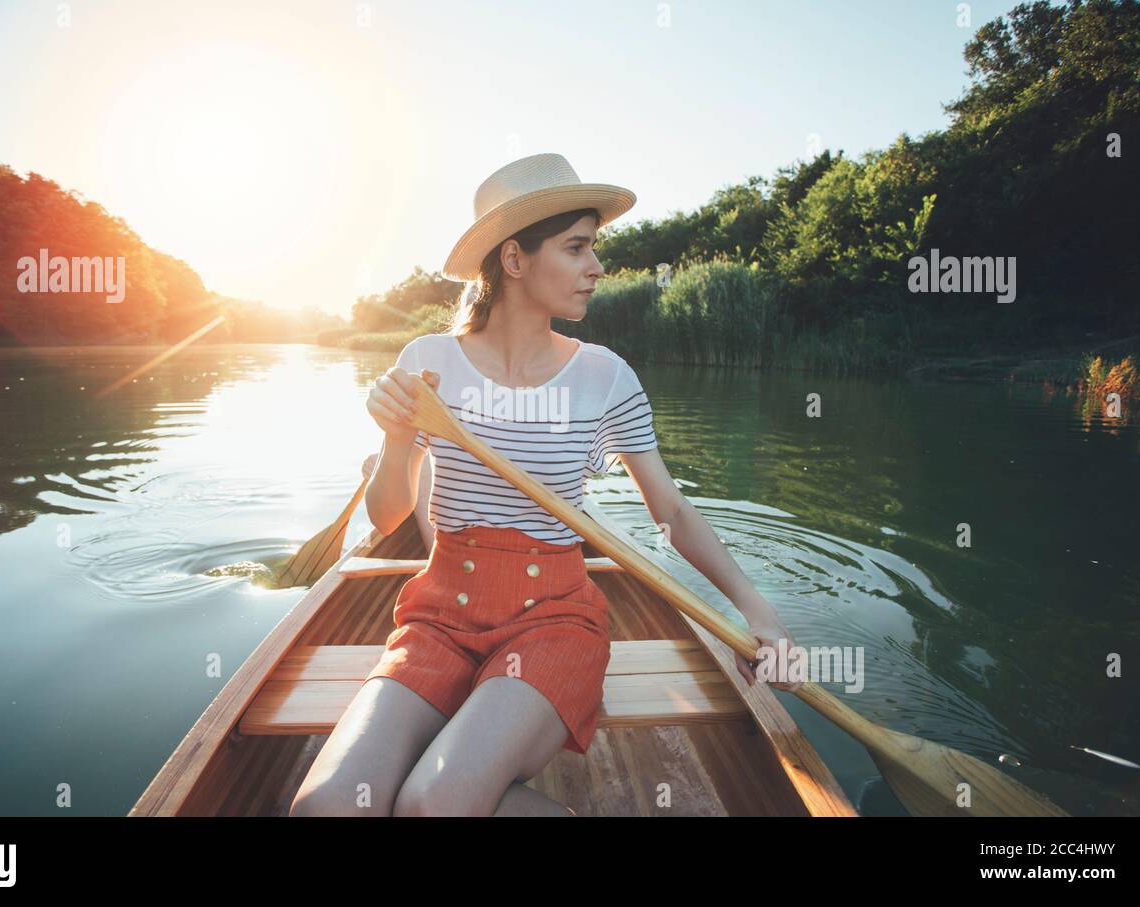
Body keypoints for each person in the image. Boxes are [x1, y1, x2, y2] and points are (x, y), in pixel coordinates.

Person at [290, 153, 800, 818]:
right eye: (577, 248)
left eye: (594, 248)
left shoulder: (605, 377)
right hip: (440, 616)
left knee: (433, 800)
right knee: (327, 806)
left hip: (553, 620)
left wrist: (757, 611)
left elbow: (669, 508)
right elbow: (388, 515)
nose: (597, 267)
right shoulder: (428, 361)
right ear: (514, 259)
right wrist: (395, 437)